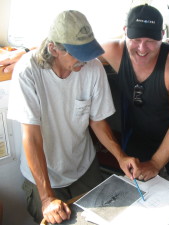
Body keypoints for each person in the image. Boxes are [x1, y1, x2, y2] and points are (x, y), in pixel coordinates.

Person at [1, 4, 169, 200]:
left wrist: (154, 162)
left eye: (151, 41)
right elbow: (71, 48)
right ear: (125, 31)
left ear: (162, 37)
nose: (143, 48)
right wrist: (27, 52)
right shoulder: (111, 50)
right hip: (140, 132)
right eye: (136, 39)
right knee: (142, 185)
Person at [6, 10, 140, 224]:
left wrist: (120, 156)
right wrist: (47, 197)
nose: (86, 60)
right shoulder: (27, 72)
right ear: (54, 49)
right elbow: (31, 137)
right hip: (43, 176)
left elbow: (97, 121)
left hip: (84, 168)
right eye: (79, 53)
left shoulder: (93, 67)